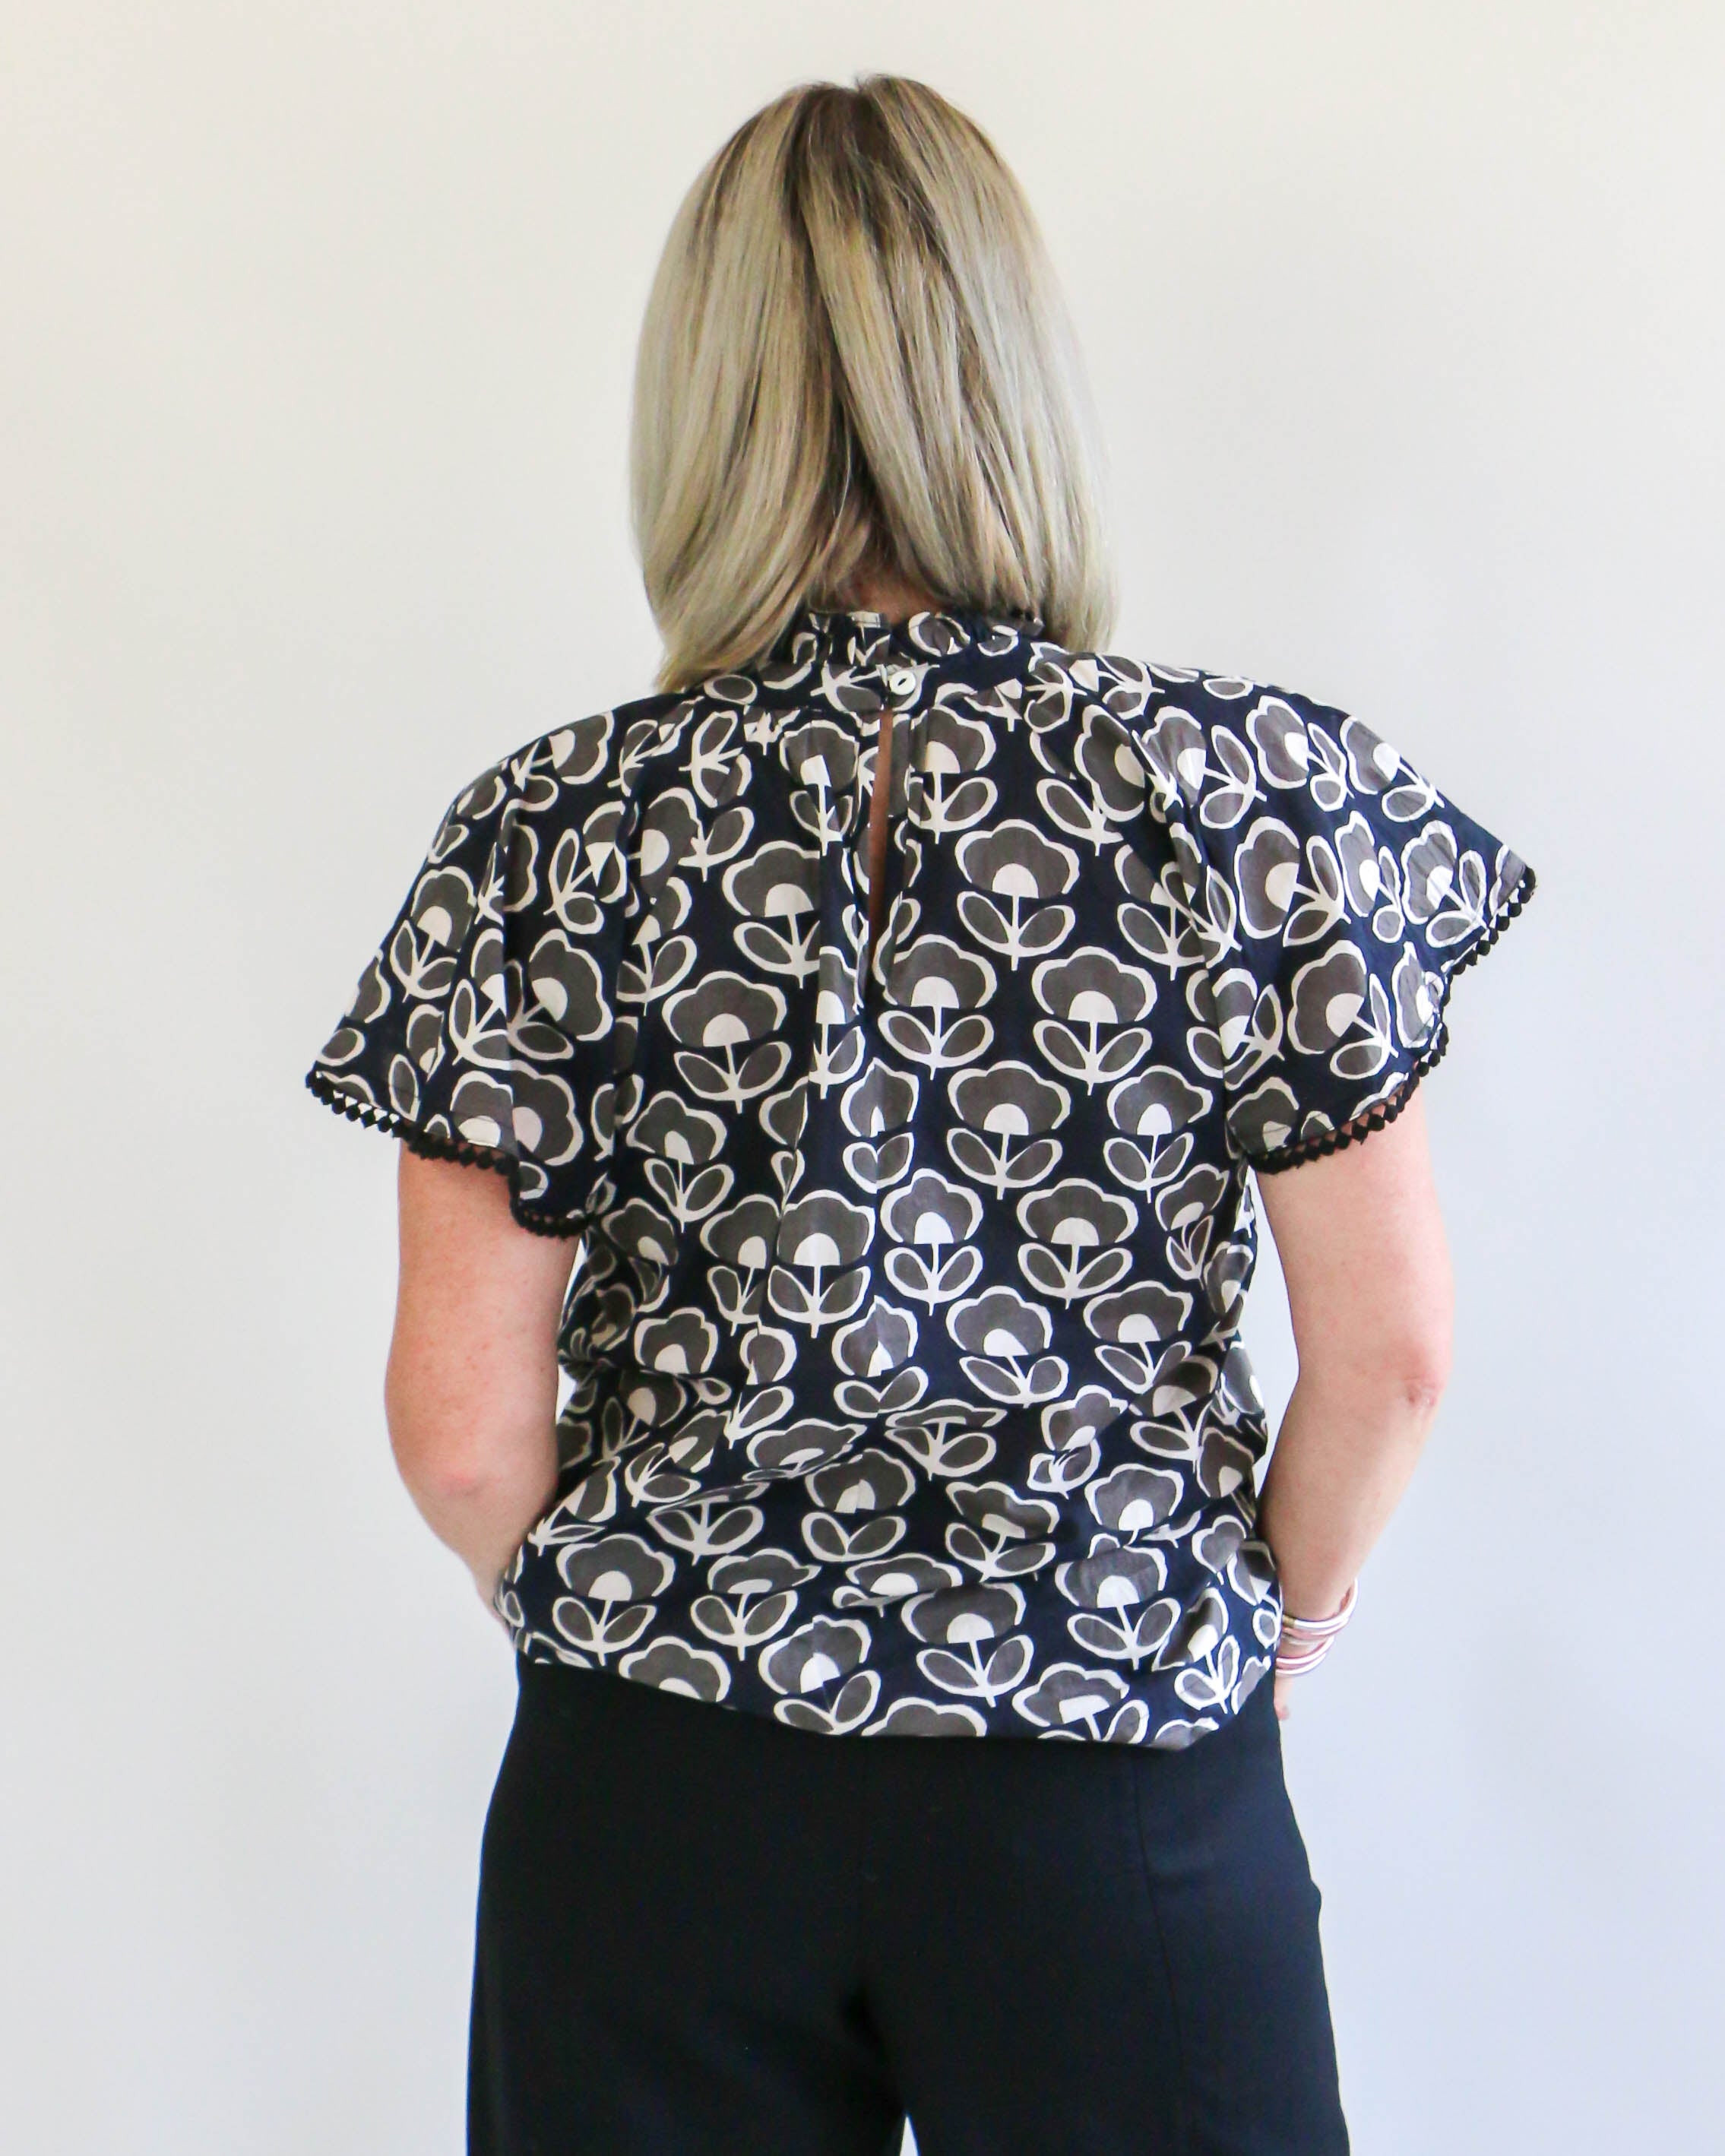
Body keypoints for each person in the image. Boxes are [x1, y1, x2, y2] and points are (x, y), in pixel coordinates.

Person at [305, 74, 1533, 2156]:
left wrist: (644, 1643)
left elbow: (458, 1428)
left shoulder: (551, 832)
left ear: (707, 415)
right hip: (1114, 1764)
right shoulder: (1243, 796)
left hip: (659, 1799)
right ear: (1019, 392)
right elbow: (1394, 1354)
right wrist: (1281, 1628)